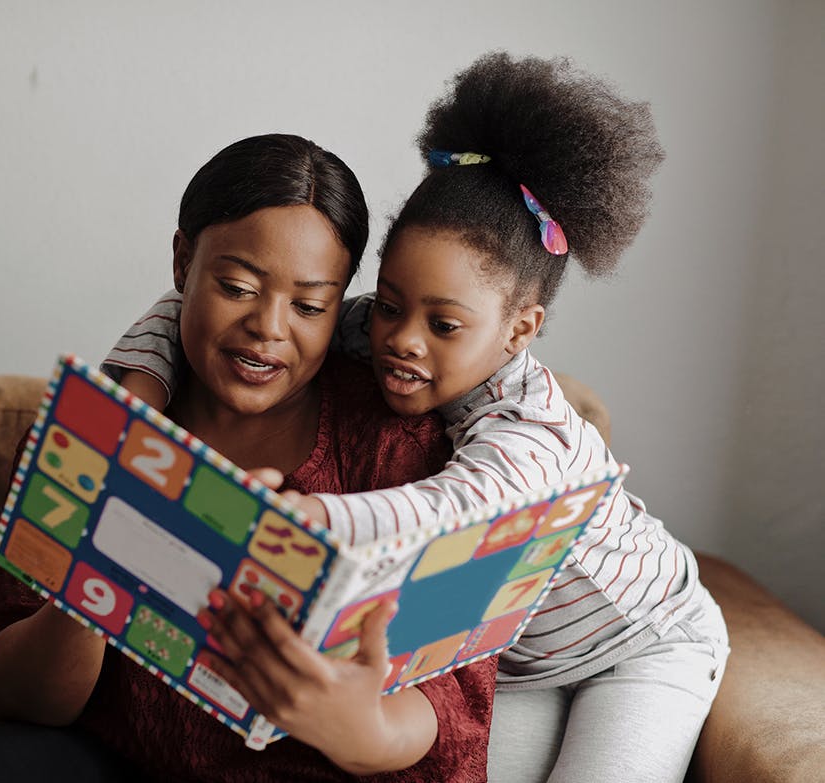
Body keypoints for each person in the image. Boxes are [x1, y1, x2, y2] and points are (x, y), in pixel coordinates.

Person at [104, 52, 730, 783]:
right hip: (520, 662)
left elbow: (455, 512)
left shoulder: (534, 434)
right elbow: (191, 307)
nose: (401, 338)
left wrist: (315, 521)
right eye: (392, 303)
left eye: (444, 324)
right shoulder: (373, 338)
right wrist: (136, 395)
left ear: (520, 331)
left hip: (640, 646)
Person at [0, 134, 495, 783]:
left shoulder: (392, 442)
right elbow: (10, 688)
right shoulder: (95, 426)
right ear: (182, 262)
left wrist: (358, 726)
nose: (269, 326)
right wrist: (97, 580)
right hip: (116, 760)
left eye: (310, 306)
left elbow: (456, 701)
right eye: (237, 286)